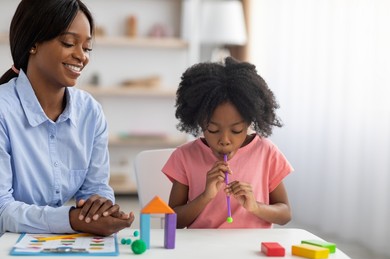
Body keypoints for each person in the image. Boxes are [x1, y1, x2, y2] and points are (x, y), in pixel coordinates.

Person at [0, 0, 134, 236]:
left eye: (87, 47)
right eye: (69, 43)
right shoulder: (3, 110)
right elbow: (3, 210)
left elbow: (96, 188)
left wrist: (99, 210)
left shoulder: (90, 112)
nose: (82, 56)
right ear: (33, 43)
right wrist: (72, 220)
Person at [162, 57, 293, 229]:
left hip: (252, 250)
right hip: (202, 249)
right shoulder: (184, 156)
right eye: (213, 130)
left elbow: (285, 215)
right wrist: (205, 197)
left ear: (249, 123)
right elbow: (173, 222)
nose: (224, 140)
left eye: (236, 130)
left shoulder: (266, 152)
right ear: (200, 122)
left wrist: (256, 207)